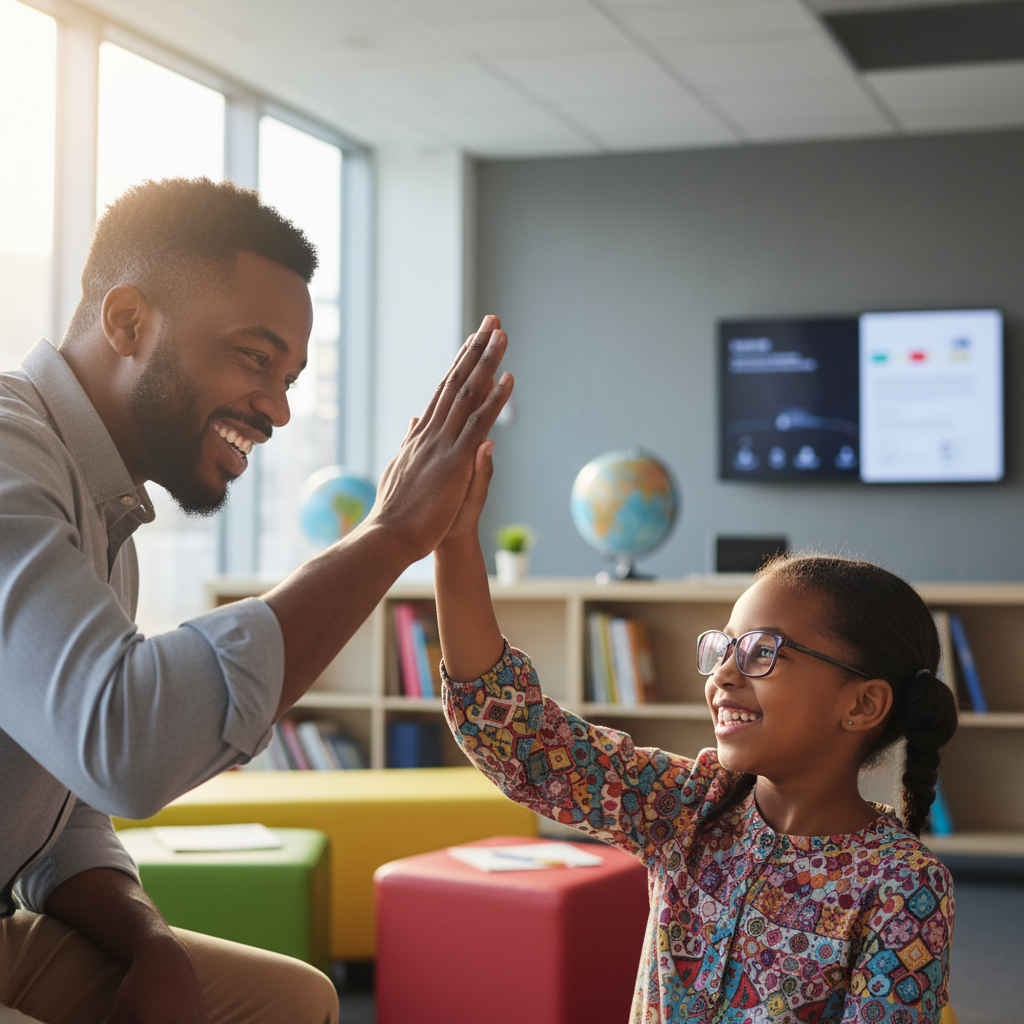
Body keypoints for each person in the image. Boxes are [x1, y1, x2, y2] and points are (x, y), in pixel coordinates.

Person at [0, 177, 513, 1024]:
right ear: (128, 323)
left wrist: (147, 941)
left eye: (290, 375)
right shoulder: (12, 456)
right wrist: (388, 537)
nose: (276, 407)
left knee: (291, 1000)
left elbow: (64, 805)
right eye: (254, 356)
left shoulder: (105, 510)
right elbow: (123, 740)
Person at [433, 448, 959, 1023]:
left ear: (862, 704)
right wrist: (453, 542)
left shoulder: (901, 884)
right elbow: (517, 738)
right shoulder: (688, 806)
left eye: (763, 652)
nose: (724, 674)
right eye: (725, 647)